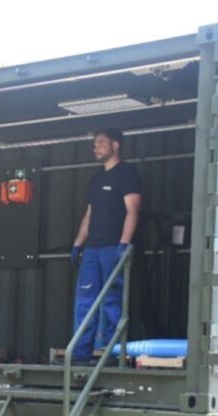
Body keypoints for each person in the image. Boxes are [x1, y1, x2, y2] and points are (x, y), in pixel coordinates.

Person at [69, 128, 142, 363]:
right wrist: (78, 245)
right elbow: (89, 215)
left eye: (101, 143)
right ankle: (81, 354)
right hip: (92, 249)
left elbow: (133, 211)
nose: (96, 148)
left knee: (111, 301)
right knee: (85, 302)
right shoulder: (97, 178)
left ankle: (111, 354)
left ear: (116, 145)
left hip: (113, 248)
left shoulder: (127, 175)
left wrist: (123, 244)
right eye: (95, 144)